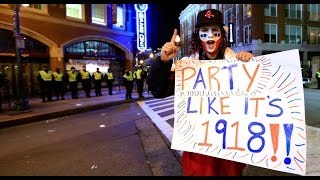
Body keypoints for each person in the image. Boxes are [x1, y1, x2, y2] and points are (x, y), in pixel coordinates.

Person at [147, 9, 254, 176]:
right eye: (204, 32)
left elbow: (255, 101)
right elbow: (158, 90)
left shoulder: (236, 64)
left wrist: (249, 64)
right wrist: (163, 62)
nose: (210, 38)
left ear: (222, 36)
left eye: (215, 32)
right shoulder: (187, 67)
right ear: (198, 36)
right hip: (199, 151)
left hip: (230, 150)